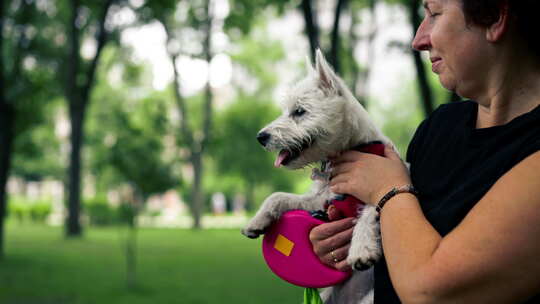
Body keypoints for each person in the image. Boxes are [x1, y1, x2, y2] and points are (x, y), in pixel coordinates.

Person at [309, 0, 540, 303]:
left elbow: (431, 293)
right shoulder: (440, 127)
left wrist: (387, 189)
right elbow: (407, 237)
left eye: (434, 13)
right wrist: (351, 238)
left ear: (496, 17)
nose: (418, 40)